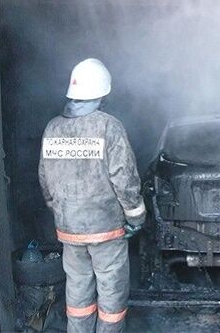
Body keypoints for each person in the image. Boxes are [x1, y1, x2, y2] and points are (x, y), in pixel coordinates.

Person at [38, 58, 145, 333]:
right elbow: (125, 178)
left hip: (69, 230)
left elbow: (45, 180)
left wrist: (61, 212)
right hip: (106, 230)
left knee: (78, 293)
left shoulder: (52, 128)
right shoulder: (109, 127)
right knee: (111, 294)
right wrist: (136, 217)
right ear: (102, 93)